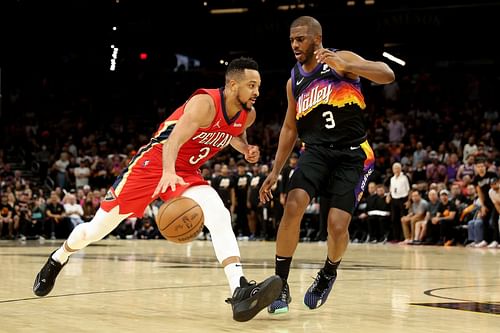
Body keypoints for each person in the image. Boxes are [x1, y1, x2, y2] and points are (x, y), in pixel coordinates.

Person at [33, 57, 282, 322]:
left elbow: (233, 131)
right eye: (252, 85)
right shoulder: (204, 104)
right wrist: (167, 171)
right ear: (233, 85)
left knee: (218, 213)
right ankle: (58, 258)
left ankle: (240, 291)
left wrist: (245, 149)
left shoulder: (248, 115)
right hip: (152, 165)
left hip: (185, 172)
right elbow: (172, 140)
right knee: (95, 230)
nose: (257, 92)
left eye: (258, 86)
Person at [259, 16, 395, 313]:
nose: (294, 44)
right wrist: (275, 170)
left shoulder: (341, 58)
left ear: (316, 39)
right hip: (316, 152)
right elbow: (289, 128)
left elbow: (387, 73)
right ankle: (280, 287)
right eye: (292, 39)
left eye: (300, 39)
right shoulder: (293, 80)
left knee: (336, 225)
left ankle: (328, 272)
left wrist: (348, 68)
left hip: (353, 154)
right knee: (293, 205)